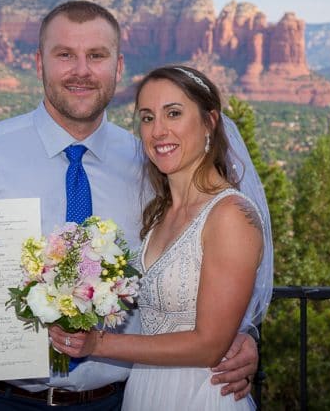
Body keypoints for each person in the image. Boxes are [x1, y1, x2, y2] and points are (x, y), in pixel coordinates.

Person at [0, 1, 265, 410]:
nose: (81, 71)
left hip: (117, 401)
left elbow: (206, 264)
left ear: (117, 68)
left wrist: (243, 334)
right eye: (65, 55)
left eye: (96, 56)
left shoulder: (155, 165)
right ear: (39, 64)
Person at [50, 66, 267, 410]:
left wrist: (96, 345)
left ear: (209, 122)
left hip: (200, 394)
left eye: (174, 114)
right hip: (145, 390)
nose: (158, 131)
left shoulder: (230, 216)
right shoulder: (160, 212)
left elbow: (209, 345)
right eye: (147, 118)